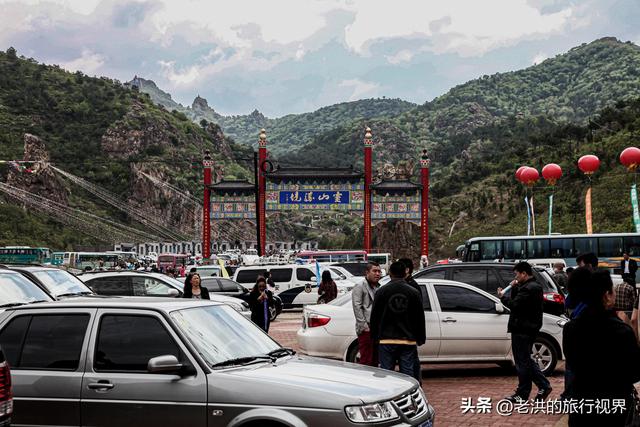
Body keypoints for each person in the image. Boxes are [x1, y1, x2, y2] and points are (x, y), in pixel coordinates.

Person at [563, 269, 640, 426]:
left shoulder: (570, 329)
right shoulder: (622, 331)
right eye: (612, 290)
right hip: (615, 409)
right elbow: (634, 374)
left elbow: (572, 364)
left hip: (582, 407)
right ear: (606, 295)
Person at [498, 262, 551, 403]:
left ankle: (524, 392)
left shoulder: (529, 288)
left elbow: (515, 305)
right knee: (525, 360)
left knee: (522, 362)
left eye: (517, 274)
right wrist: (514, 288)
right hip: (526, 328)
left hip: (523, 329)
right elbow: (518, 302)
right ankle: (542, 386)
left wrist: (502, 297)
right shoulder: (530, 287)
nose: (515, 277)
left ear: (524, 274)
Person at [370, 261, 425, 382]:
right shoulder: (413, 292)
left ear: (390, 273)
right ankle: (408, 398)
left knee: (387, 373)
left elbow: (375, 317)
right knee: (408, 375)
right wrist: (420, 338)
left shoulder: (381, 291)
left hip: (386, 340)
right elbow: (419, 317)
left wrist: (374, 337)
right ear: (404, 273)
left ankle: (388, 397)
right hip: (407, 340)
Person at [352, 261, 382, 366]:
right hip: (366, 328)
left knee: (375, 360)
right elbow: (357, 307)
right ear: (367, 272)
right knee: (366, 360)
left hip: (376, 328)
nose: (378, 274)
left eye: (379, 271)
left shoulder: (378, 286)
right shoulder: (360, 286)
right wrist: (364, 327)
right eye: (374, 271)